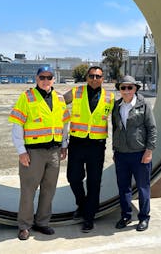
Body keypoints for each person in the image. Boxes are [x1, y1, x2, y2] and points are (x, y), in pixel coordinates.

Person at [8, 66, 70, 241]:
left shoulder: (59, 98)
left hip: (54, 151)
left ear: (53, 79)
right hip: (33, 152)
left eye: (49, 77)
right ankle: (24, 226)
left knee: (49, 190)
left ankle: (42, 222)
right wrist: (21, 151)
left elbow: (64, 124)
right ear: (36, 79)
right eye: (42, 77)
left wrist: (64, 144)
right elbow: (17, 126)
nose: (45, 80)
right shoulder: (26, 97)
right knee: (28, 190)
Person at [65, 66, 115, 232]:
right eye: (92, 76)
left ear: (103, 78)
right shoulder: (76, 92)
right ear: (87, 77)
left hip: (97, 145)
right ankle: (82, 204)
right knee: (73, 177)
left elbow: (118, 121)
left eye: (98, 76)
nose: (95, 78)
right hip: (77, 142)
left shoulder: (110, 97)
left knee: (94, 182)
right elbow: (58, 102)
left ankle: (89, 217)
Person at [112, 75, 157, 232]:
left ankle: (144, 217)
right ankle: (126, 215)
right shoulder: (116, 106)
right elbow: (115, 129)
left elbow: (151, 128)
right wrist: (114, 149)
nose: (126, 91)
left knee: (143, 187)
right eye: (123, 88)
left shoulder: (144, 105)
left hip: (140, 154)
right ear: (119, 90)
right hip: (121, 154)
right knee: (123, 187)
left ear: (135, 89)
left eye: (129, 87)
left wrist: (149, 151)